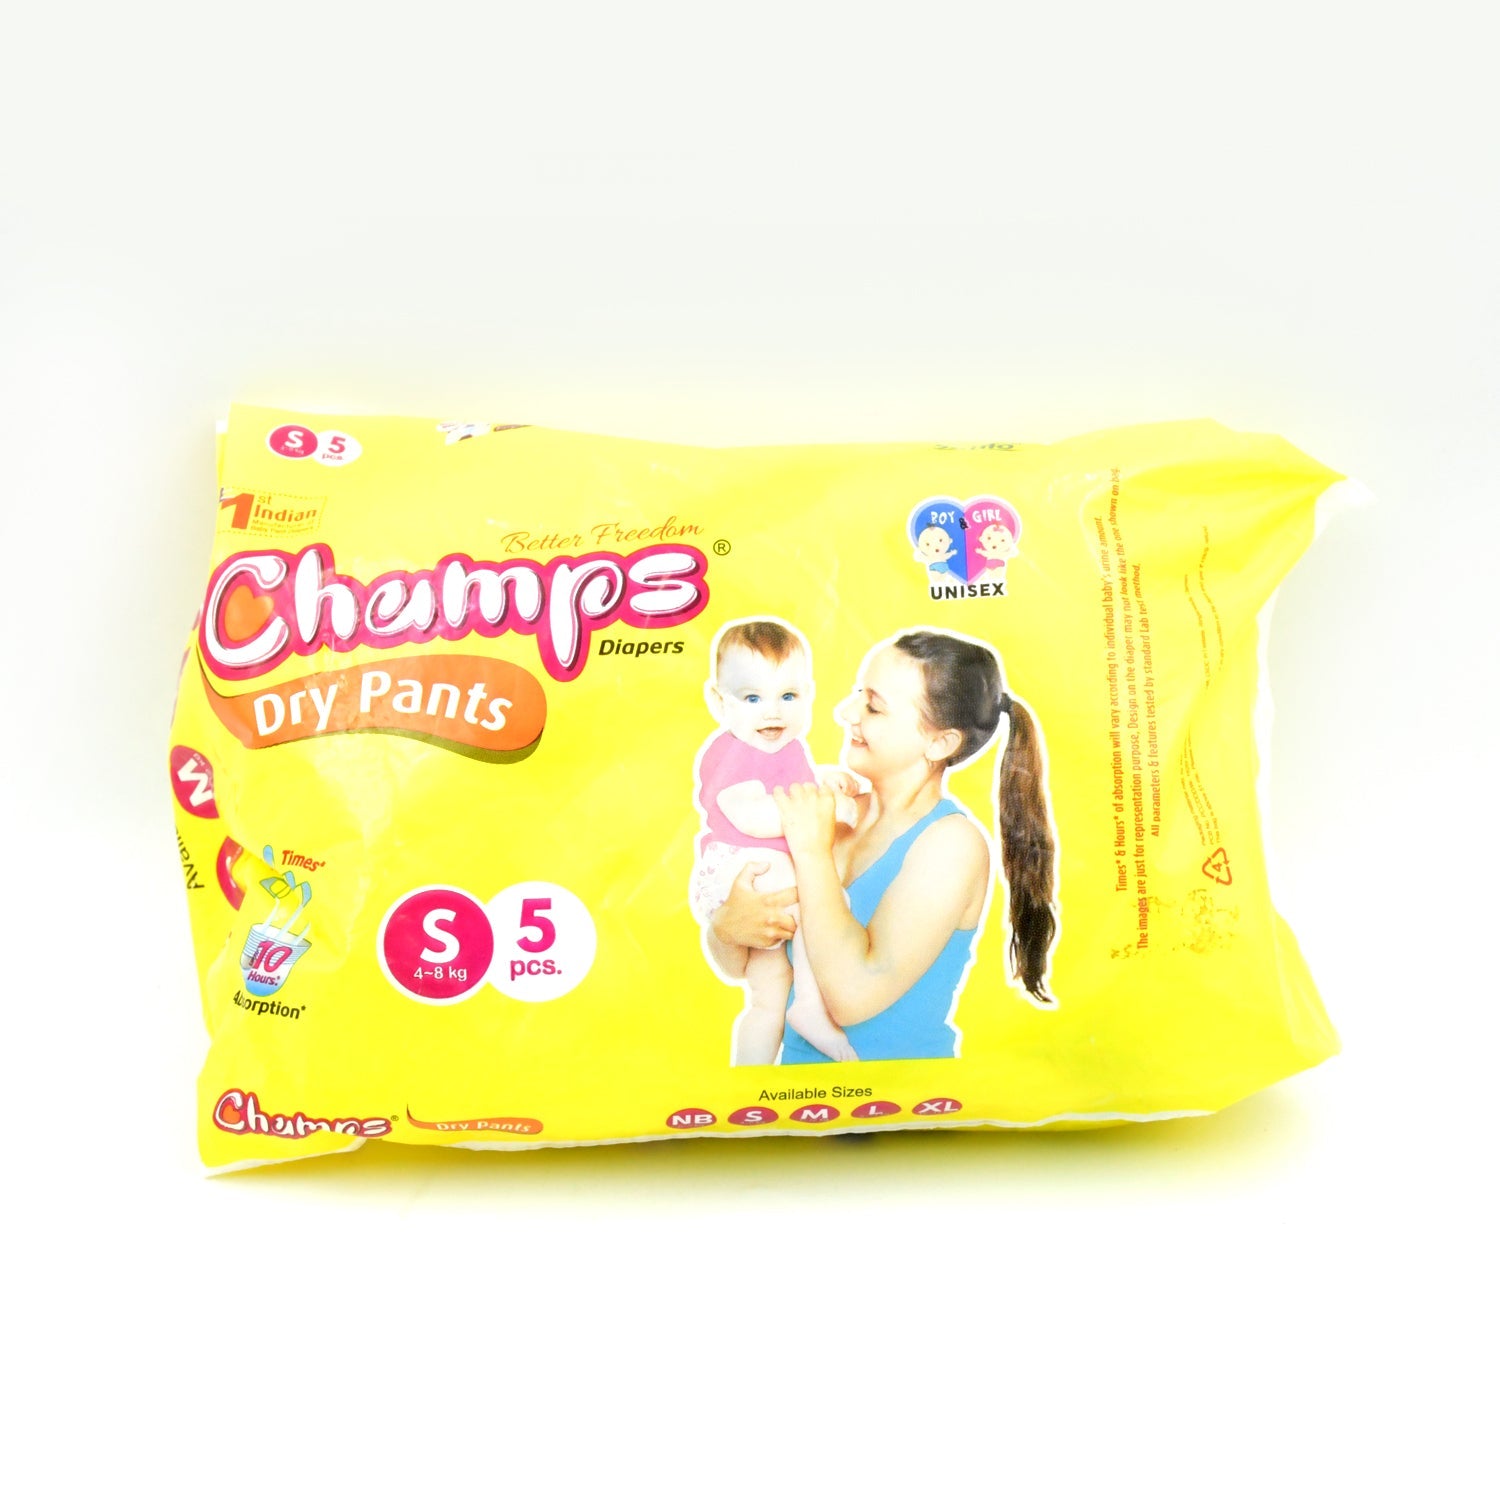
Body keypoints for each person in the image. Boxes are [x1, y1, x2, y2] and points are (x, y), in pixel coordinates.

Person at [711, 628, 1059, 1062]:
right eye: (858, 694)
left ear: (939, 742)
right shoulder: (828, 813)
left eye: (873, 706)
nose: (845, 712)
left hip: (903, 1095)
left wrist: (812, 853)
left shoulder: (951, 844)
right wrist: (725, 928)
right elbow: (742, 967)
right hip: (804, 1094)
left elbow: (852, 998)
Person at [691, 619, 860, 1065]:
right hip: (738, 867)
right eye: (752, 698)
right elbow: (751, 814)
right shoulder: (730, 753)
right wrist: (825, 807)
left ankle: (751, 1073)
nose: (773, 713)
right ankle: (810, 1004)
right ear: (719, 702)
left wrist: (825, 778)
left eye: (788, 696)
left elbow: (789, 786)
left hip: (765, 869)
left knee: (768, 991)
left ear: (809, 695)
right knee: (820, 897)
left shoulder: (789, 747)